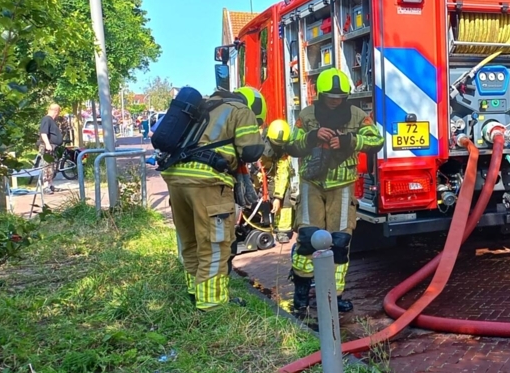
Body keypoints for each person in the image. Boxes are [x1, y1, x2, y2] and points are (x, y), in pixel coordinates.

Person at [285, 67, 384, 316]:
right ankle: (301, 295)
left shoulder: (357, 116)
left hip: (342, 185)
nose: (335, 101)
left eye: (340, 97)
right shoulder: (307, 115)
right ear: (320, 94)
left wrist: (351, 141)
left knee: (340, 242)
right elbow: (292, 144)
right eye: (330, 97)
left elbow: (377, 140)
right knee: (308, 239)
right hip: (312, 183)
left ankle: (334, 297)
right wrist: (311, 137)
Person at [163, 86, 266, 311]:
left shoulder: (203, 106)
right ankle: (212, 307)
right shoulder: (240, 110)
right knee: (214, 245)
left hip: (176, 179)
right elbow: (251, 151)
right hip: (207, 183)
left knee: (190, 242)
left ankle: (195, 294)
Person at [263, 118, 297, 244]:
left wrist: (278, 197)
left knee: (285, 197)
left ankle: (282, 231)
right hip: (260, 176)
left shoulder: (284, 151)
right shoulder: (258, 141)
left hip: (275, 176)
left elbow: (282, 173)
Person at [38, 103, 63, 193]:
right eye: (58, 112)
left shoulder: (52, 120)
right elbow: (43, 133)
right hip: (48, 146)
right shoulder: (46, 119)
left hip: (54, 147)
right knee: (47, 165)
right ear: (55, 111)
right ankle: (45, 186)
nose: (58, 114)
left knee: (52, 166)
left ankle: (50, 185)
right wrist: (47, 144)